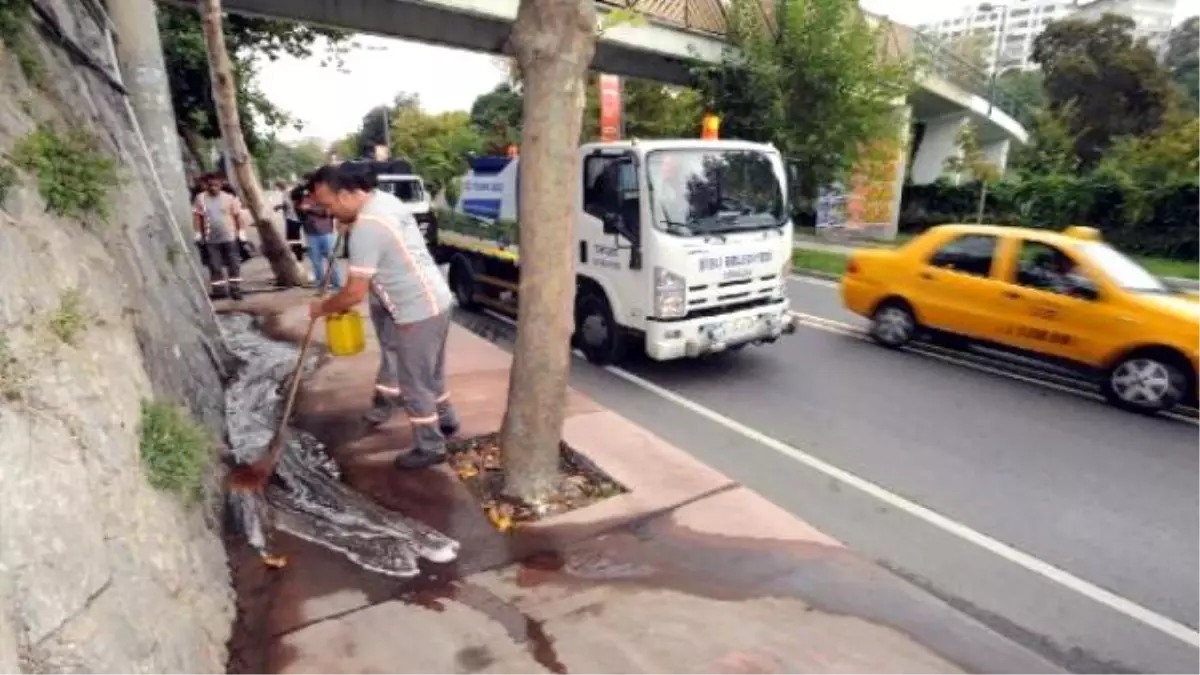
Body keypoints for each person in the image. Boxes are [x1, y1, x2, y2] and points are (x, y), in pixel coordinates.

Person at [306, 162, 459, 470]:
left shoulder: (367, 228)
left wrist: (322, 308)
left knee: (413, 382)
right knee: (431, 372)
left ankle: (430, 445)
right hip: (437, 300)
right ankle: (447, 420)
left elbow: (353, 293)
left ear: (348, 194)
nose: (329, 214)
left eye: (329, 205)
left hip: (415, 310)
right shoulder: (384, 201)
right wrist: (349, 225)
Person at [193, 173, 246, 300]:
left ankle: (235, 289)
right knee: (214, 265)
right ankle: (219, 291)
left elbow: (238, 215)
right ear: (206, 185)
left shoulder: (229, 198)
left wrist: (242, 232)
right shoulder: (200, 198)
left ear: (221, 185)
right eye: (210, 185)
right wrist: (198, 233)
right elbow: (197, 216)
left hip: (229, 237)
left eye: (216, 185)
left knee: (234, 264)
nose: (213, 188)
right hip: (210, 239)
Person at [300, 193, 343, 290]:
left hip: (326, 232)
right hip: (311, 233)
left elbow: (327, 212)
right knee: (316, 261)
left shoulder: (325, 198)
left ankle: (336, 284)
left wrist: (310, 209)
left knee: (331, 260)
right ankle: (320, 285)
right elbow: (301, 210)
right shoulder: (306, 198)